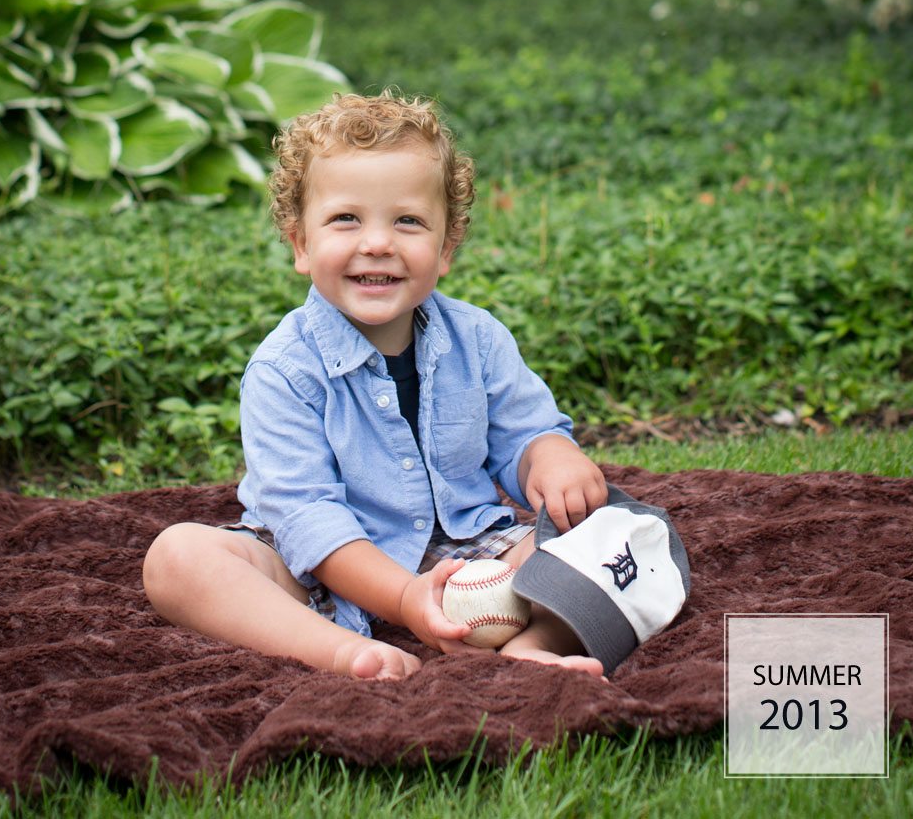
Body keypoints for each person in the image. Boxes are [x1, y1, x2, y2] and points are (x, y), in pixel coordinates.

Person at [143, 91, 608, 680]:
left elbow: (524, 433)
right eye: (346, 219)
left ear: (446, 247)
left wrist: (551, 455)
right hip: (315, 568)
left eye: (407, 221)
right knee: (178, 558)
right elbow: (307, 516)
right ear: (301, 243)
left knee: (616, 534)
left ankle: (533, 643)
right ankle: (342, 651)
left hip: (464, 555)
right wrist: (404, 599)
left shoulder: (478, 339)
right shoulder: (285, 370)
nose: (378, 243)